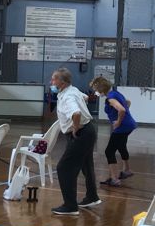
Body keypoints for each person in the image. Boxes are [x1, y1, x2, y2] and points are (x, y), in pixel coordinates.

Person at [51, 67, 101, 216]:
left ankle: (70, 206)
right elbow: (85, 98)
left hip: (81, 133)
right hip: (89, 131)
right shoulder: (73, 90)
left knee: (64, 168)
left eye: (54, 79)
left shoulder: (68, 96)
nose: (51, 82)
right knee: (86, 165)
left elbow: (76, 113)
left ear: (62, 82)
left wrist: (75, 127)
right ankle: (92, 196)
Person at [90, 76, 137, 186]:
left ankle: (114, 178)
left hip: (122, 127)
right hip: (129, 125)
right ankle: (127, 170)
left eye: (96, 89)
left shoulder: (110, 98)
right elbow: (127, 102)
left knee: (109, 151)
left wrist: (118, 122)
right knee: (121, 146)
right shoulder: (116, 93)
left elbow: (122, 109)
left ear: (101, 88)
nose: (96, 92)